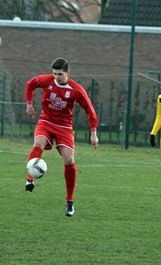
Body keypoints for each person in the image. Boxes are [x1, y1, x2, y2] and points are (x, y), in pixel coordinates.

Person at [24, 58, 99, 217]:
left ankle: (70, 201)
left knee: (69, 160)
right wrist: (29, 104)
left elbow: (90, 110)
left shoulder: (76, 90)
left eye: (60, 74)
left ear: (67, 73)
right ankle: (30, 178)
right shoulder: (47, 81)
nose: (56, 77)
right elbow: (30, 83)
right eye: (54, 73)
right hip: (46, 121)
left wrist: (93, 133)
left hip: (64, 127)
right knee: (38, 143)